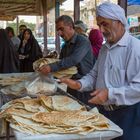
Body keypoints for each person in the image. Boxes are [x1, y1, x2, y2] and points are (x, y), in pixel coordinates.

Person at [60, 2, 140, 140]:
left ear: (119, 22)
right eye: (99, 25)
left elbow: (138, 87)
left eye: (105, 24)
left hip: (127, 115)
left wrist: (110, 93)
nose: (101, 30)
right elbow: (94, 74)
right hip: (104, 113)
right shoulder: (105, 48)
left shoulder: (135, 48)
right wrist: (79, 84)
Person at [38, 15, 95, 105]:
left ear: (70, 27)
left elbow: (73, 60)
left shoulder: (82, 41)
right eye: (58, 30)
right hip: (70, 85)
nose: (59, 33)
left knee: (84, 113)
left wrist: (51, 66)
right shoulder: (65, 46)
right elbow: (62, 64)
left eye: (61, 29)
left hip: (84, 87)